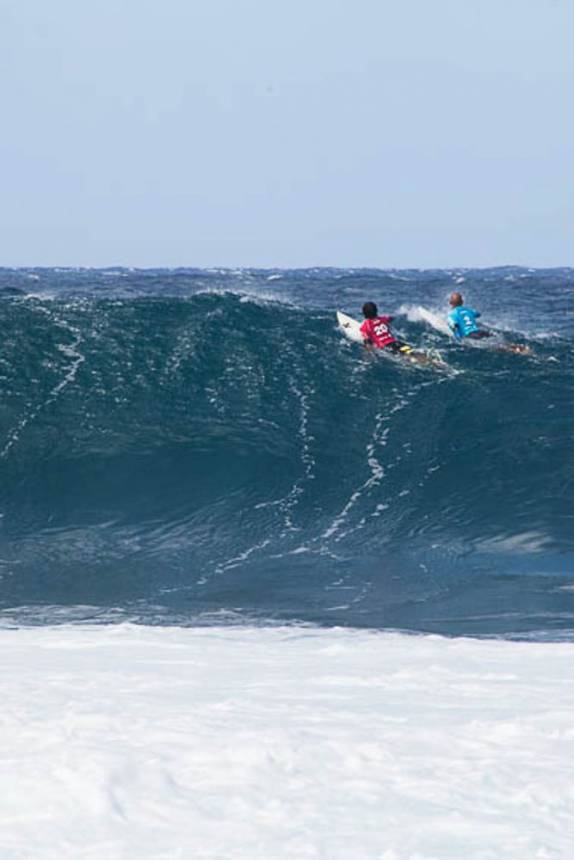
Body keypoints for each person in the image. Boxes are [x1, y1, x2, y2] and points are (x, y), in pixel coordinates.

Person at [447, 292, 532, 355]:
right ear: (462, 302)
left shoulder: (452, 314)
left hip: (470, 335)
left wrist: (458, 339)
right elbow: (477, 314)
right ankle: (519, 347)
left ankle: (513, 351)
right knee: (498, 341)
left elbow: (453, 325)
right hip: (479, 331)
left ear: (450, 303)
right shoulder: (468, 310)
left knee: (494, 346)